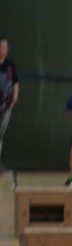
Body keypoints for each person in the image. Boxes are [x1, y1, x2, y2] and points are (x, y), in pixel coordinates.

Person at [0, 37, 19, 175]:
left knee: (0, 134)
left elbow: (15, 82)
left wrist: (14, 98)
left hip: (6, 105)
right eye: (3, 47)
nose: (5, 49)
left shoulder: (10, 64)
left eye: (7, 47)